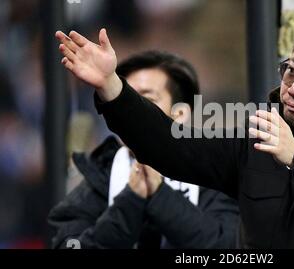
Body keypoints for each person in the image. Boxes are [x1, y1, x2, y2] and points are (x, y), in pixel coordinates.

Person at [54, 20, 294, 249]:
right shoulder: (253, 139)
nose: (293, 87)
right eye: (291, 71)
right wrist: (112, 88)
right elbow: (168, 144)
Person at [48, 50, 239, 249]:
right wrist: (131, 201)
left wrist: (159, 195)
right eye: (125, 101)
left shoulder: (213, 172)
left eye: (146, 101)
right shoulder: (99, 175)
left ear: (180, 114)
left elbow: (229, 247)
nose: (133, 113)